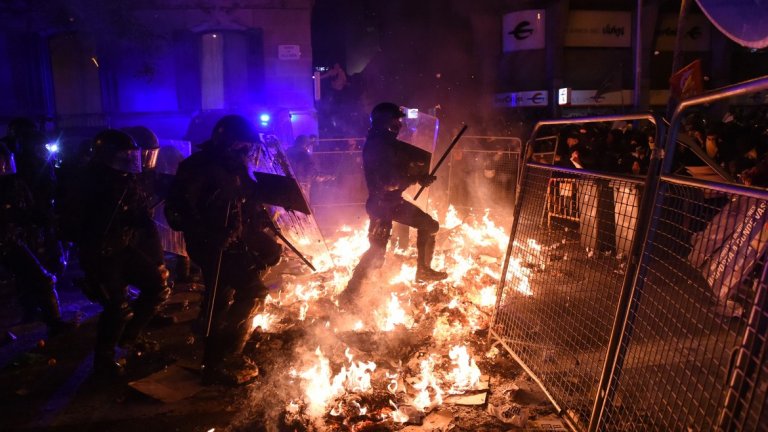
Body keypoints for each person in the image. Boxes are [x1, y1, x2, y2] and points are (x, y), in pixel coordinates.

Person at [165, 114, 282, 385]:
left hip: (234, 241)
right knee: (249, 293)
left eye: (247, 146)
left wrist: (262, 217)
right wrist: (209, 232)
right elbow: (178, 211)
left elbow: (246, 202)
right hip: (211, 245)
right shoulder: (197, 167)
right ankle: (221, 360)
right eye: (241, 145)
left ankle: (219, 352)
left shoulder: (235, 167)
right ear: (226, 141)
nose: (246, 151)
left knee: (228, 294)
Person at [74, 130, 170, 377]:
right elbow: (75, 226)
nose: (129, 160)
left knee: (158, 287)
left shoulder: (127, 181)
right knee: (118, 308)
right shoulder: (86, 184)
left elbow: (144, 223)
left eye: (131, 155)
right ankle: (103, 361)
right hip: (100, 255)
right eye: (123, 156)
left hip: (124, 249)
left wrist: (157, 261)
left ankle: (130, 338)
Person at [339, 102, 447, 305]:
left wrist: (419, 175)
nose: (399, 123)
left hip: (393, 202)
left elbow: (400, 171)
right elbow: (389, 182)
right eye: (395, 119)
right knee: (376, 253)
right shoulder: (378, 145)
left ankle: (423, 270)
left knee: (429, 225)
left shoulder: (386, 142)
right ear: (386, 121)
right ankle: (350, 294)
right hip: (381, 206)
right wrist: (414, 177)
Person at [0, 145, 71, 336]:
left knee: (42, 279)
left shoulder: (14, 184)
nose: (3, 166)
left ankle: (53, 323)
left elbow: (27, 209)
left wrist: (43, 217)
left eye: (4, 161)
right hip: (7, 242)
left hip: (10, 241)